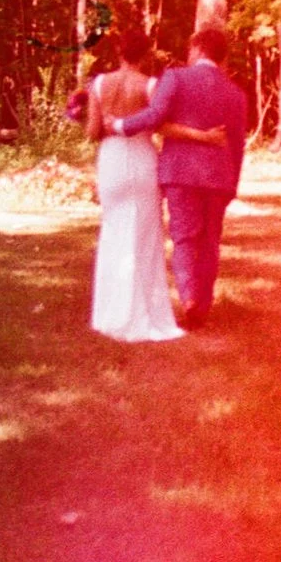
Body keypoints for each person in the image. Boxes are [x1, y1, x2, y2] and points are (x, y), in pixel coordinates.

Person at [84, 30, 225, 343]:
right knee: (145, 236)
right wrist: (204, 137)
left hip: (112, 161)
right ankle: (143, 312)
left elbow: (93, 131)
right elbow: (163, 125)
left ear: (119, 52)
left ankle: (109, 314)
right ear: (146, 55)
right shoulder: (150, 85)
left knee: (114, 229)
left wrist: (93, 119)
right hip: (142, 160)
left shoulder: (98, 84)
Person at [108, 25, 249, 329]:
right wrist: (232, 183)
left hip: (180, 173)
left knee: (185, 238)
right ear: (220, 56)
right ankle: (204, 300)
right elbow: (238, 144)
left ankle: (189, 299)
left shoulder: (175, 77)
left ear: (197, 49)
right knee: (211, 240)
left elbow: (155, 116)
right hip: (218, 177)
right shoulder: (236, 94)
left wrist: (119, 125)